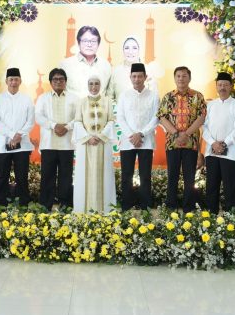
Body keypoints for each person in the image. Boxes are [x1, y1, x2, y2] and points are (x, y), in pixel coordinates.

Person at [158, 66, 207, 212]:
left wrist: (186, 134)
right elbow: (162, 117)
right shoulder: (168, 97)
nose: (181, 79)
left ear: (189, 78)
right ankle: (171, 207)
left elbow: (202, 116)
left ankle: (188, 208)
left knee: (189, 177)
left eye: (184, 76)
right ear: (174, 78)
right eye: (178, 76)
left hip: (190, 143)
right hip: (172, 143)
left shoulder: (198, 96)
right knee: (172, 176)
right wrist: (175, 133)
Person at [116, 63, 159, 210]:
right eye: (134, 76)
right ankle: (127, 205)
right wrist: (132, 135)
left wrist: (140, 134)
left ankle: (145, 205)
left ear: (145, 77)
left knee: (145, 175)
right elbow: (120, 118)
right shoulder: (124, 95)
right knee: (126, 174)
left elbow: (156, 118)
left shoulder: (153, 96)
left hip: (145, 141)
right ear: (130, 77)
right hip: (128, 142)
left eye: (140, 76)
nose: (137, 79)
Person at [0, 68, 34, 206]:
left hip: (22, 146)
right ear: (6, 81)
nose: (13, 82)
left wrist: (19, 134)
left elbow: (31, 121)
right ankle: (1, 205)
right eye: (11, 79)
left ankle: (23, 204)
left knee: (22, 177)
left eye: (16, 79)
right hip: (3, 145)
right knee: (2, 177)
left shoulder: (27, 99)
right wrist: (11, 135)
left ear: (20, 81)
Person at [35, 68, 77, 210]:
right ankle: (45, 206)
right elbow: (38, 117)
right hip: (49, 144)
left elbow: (79, 118)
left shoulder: (74, 98)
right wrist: (54, 126)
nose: (58, 82)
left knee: (66, 177)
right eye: (55, 79)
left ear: (65, 82)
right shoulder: (43, 98)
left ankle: (65, 206)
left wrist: (67, 127)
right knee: (47, 176)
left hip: (67, 144)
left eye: (61, 79)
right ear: (50, 82)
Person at [202, 72, 235, 213]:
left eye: (225, 85)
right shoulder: (210, 105)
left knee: (230, 186)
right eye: (220, 85)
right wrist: (213, 143)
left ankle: (230, 216)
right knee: (211, 185)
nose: (222, 87)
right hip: (212, 152)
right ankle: (211, 214)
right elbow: (204, 127)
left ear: (231, 87)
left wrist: (224, 144)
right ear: (216, 86)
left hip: (230, 153)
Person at [73, 76, 116, 213]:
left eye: (97, 83)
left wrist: (100, 136)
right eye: (91, 83)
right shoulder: (81, 102)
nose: (94, 86)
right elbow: (78, 121)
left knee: (105, 175)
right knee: (83, 175)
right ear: (87, 85)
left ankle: (106, 210)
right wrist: (87, 137)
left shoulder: (108, 101)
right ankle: (83, 210)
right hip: (86, 144)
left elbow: (111, 120)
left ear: (100, 85)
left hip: (103, 143)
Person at [59, 25, 112, 99]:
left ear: (98, 43)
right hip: (73, 110)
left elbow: (109, 95)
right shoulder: (65, 65)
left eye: (93, 41)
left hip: (98, 110)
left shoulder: (106, 66)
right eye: (85, 41)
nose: (89, 44)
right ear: (78, 42)